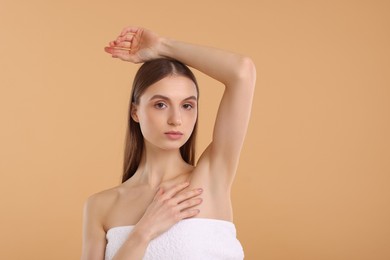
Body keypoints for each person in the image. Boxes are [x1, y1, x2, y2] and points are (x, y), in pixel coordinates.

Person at [81, 26, 256, 260]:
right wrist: (143, 232)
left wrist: (162, 47)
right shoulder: (101, 206)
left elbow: (242, 72)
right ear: (136, 112)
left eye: (187, 105)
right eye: (161, 104)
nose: (176, 120)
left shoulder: (211, 177)